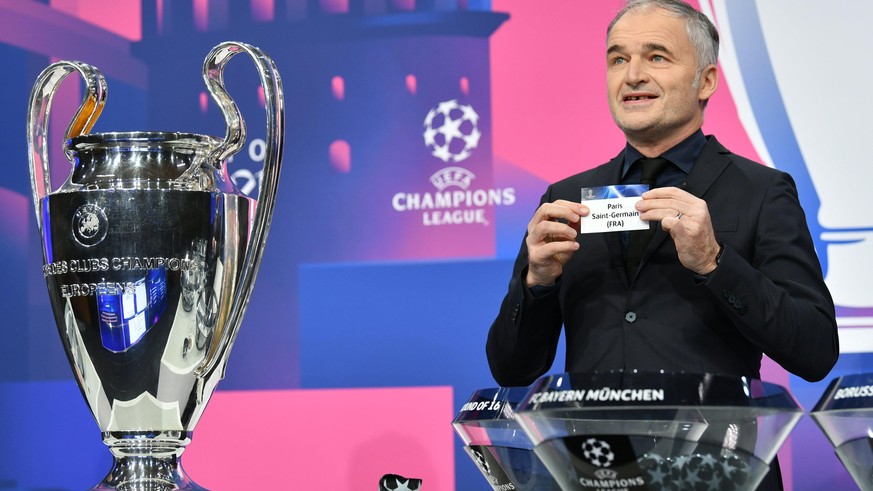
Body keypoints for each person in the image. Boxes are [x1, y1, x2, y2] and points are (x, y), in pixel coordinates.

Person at [486, 1, 839, 489]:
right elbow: (512, 369)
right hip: (597, 473)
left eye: (656, 56)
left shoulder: (762, 192)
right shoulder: (565, 200)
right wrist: (536, 285)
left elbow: (815, 351)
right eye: (618, 58)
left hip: (719, 474)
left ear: (706, 81)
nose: (632, 75)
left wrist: (714, 263)